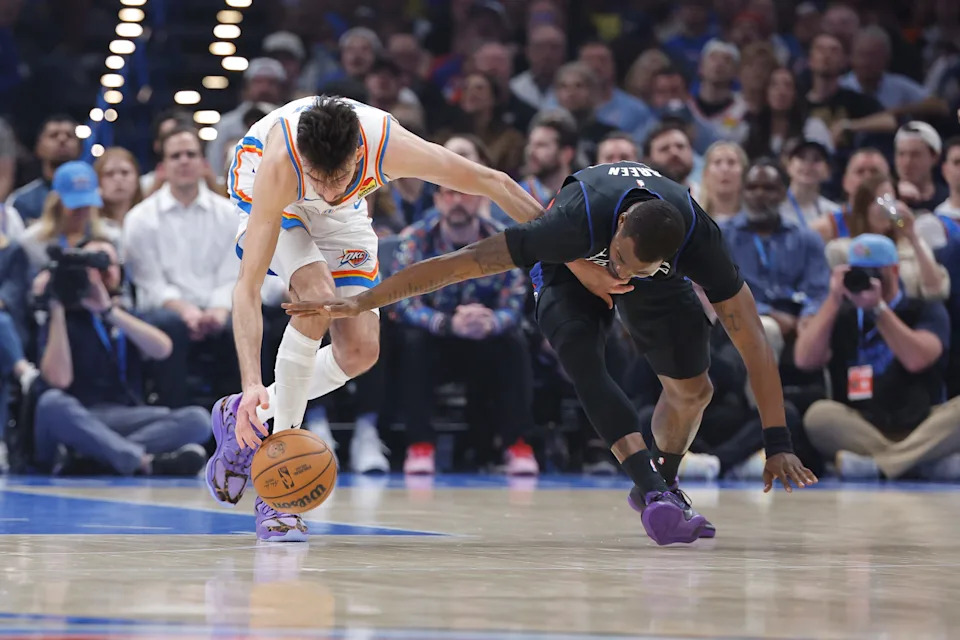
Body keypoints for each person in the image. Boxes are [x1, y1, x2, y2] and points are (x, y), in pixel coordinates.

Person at [286, 160, 818, 546]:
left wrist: (778, 442)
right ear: (617, 232)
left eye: (633, 267)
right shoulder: (570, 224)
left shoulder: (700, 239)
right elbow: (460, 263)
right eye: (618, 260)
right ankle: (654, 492)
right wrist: (364, 300)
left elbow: (751, 339)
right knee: (583, 356)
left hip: (648, 271)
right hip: (568, 263)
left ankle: (665, 477)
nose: (618, 275)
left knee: (694, 391)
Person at [206, 96, 604, 542]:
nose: (327, 190)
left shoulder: (389, 145)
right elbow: (247, 287)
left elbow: (495, 183)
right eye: (319, 179)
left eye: (336, 179)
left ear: (358, 153)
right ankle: (277, 493)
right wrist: (249, 381)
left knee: (359, 352)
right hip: (270, 195)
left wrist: (574, 260)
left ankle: (240, 417)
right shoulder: (282, 161)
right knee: (316, 296)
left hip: (346, 219)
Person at [33, 240, 210, 477]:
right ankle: (140, 460)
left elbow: (162, 349)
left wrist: (108, 311)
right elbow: (59, 380)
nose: (103, 272)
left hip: (126, 416)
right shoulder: (62, 317)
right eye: (93, 264)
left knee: (198, 419)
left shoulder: (123, 315)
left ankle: (98, 457)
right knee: (51, 403)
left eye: (108, 264)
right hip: (80, 415)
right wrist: (56, 304)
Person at [795, 234, 960, 480]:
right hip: (863, 425)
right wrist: (833, 299)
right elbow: (804, 360)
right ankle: (918, 463)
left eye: (875, 272)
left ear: (894, 270)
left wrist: (879, 310)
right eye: (858, 272)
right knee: (819, 415)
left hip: (923, 421)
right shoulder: (842, 315)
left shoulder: (925, 309)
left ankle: (881, 466)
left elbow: (917, 360)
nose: (867, 279)